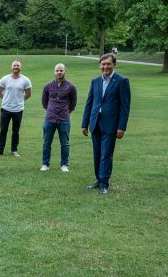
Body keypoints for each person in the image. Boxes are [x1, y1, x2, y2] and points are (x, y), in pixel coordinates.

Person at [81, 54, 131, 194]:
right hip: (95, 122)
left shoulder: (122, 81)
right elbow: (89, 103)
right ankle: (98, 180)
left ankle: (104, 183)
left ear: (114, 64)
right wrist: (84, 123)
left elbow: (125, 106)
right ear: (99, 65)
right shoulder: (95, 81)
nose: (105, 67)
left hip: (111, 124)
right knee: (97, 153)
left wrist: (121, 127)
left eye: (108, 64)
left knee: (106, 154)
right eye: (103, 64)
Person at [39, 63, 77, 172]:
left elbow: (73, 105)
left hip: (64, 119)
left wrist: (65, 113)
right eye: (57, 70)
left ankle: (64, 164)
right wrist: (51, 111)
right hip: (49, 119)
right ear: (54, 72)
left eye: (61, 70)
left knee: (65, 143)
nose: (59, 72)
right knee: (46, 143)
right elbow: (44, 103)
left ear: (65, 71)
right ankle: (45, 164)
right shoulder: (48, 86)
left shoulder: (71, 87)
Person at [0, 60, 32, 157]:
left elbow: (28, 94)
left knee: (16, 131)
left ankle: (14, 150)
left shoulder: (25, 80)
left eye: (18, 65)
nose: (16, 67)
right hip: (5, 109)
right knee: (3, 130)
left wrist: (19, 101)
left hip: (18, 110)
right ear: (11, 67)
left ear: (20, 67)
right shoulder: (5, 79)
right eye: (14, 65)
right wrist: (6, 99)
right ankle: (0, 151)